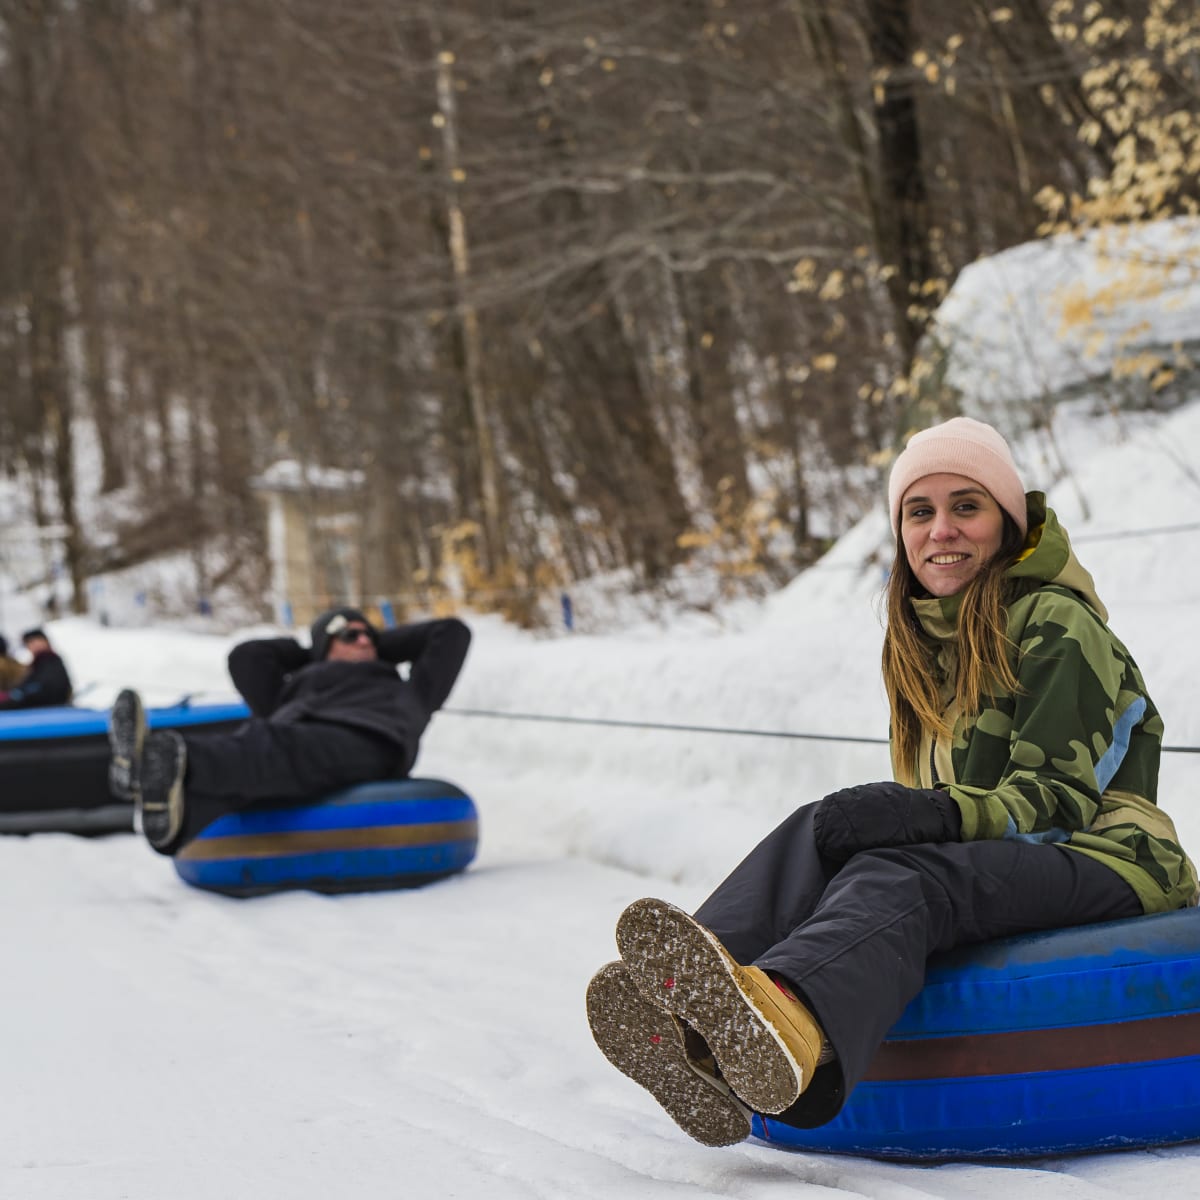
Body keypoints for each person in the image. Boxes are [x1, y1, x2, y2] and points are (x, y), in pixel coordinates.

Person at [586, 416, 1197, 1148]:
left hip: (1110, 857)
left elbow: (1054, 802)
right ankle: (692, 1005)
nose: (942, 530)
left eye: (966, 507)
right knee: (824, 827)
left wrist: (924, 817)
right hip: (1017, 857)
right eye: (921, 511)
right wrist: (899, 817)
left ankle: (793, 1030)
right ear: (901, 532)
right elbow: (944, 813)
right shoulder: (921, 641)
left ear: (1005, 521)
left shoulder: (1057, 624)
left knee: (901, 875)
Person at [107, 607, 471, 853]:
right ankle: (171, 820)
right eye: (349, 636)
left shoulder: (406, 688)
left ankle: (161, 760)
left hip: (366, 738)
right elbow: (246, 657)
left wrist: (375, 644)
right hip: (292, 736)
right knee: (254, 767)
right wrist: (311, 654)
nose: (363, 641)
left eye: (368, 636)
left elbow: (451, 633)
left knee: (266, 745)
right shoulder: (295, 687)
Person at [0, 628, 74, 709]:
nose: (35, 645)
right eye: (30, 642)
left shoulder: (50, 660)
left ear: (46, 641)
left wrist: (18, 694)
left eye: (38, 640)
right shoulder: (36, 664)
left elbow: (48, 687)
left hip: (47, 707)